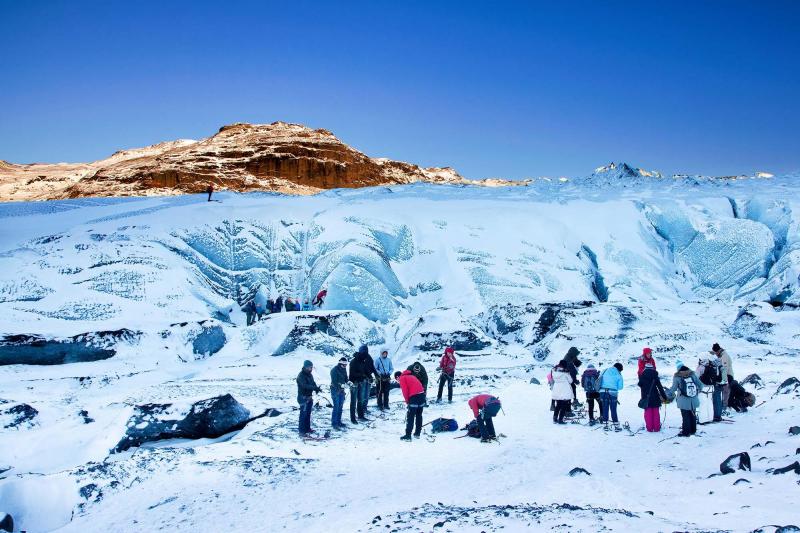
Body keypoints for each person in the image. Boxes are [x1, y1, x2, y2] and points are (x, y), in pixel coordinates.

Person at [666, 361, 703, 437]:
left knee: (685, 416)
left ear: (678, 368)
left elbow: (674, 388)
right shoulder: (692, 374)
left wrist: (667, 394)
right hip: (693, 399)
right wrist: (697, 392)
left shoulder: (677, 376)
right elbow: (700, 384)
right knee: (692, 414)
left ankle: (686, 432)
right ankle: (693, 430)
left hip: (683, 400)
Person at [395, 369, 425, 441]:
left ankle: (408, 435)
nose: (398, 381)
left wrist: (407, 402)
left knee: (410, 416)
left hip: (414, 397)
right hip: (422, 395)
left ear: (397, 377)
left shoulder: (402, 378)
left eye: (397, 379)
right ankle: (417, 433)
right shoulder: (412, 376)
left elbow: (405, 391)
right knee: (419, 415)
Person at [349, 344, 376, 422]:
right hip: (354, 384)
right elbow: (352, 374)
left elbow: (366, 371)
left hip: (360, 383)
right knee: (353, 401)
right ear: (361, 353)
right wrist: (362, 375)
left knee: (360, 400)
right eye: (364, 353)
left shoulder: (362, 361)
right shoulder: (353, 362)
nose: (365, 356)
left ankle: (361, 416)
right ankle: (353, 418)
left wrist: (370, 377)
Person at [638, 362, 667, 432]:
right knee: (656, 413)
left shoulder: (642, 375)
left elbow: (640, 384)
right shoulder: (655, 375)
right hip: (655, 396)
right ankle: (657, 428)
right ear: (652, 368)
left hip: (646, 397)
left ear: (645, 368)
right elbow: (660, 387)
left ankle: (649, 428)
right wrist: (664, 397)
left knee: (648, 413)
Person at [296, 360, 322, 435]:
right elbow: (305, 386)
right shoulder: (300, 376)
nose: (311, 369)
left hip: (309, 397)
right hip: (303, 398)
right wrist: (314, 388)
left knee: (308, 414)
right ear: (306, 367)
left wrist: (317, 388)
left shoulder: (310, 375)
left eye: (311, 367)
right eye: (310, 367)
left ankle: (307, 428)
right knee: (303, 415)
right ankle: (302, 431)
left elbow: (313, 383)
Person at [697, 356, 724, 422]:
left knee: (705, 403)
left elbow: (696, 377)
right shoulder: (717, 366)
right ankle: (713, 417)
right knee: (712, 402)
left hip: (707, 387)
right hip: (715, 386)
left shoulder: (703, 367)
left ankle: (705, 419)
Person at [599, 363, 624, 428]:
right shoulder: (618, 374)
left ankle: (605, 425)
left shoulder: (604, 370)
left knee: (605, 408)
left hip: (602, 392)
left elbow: (599, 380)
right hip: (613, 393)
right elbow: (620, 387)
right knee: (613, 409)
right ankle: (616, 425)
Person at [710, 343, 734, 410]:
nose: (715, 354)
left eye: (715, 352)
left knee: (726, 392)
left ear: (718, 351)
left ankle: (724, 408)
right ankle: (724, 406)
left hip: (727, 376)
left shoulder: (724, 356)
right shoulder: (721, 354)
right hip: (725, 376)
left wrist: (724, 380)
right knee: (725, 392)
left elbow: (725, 369)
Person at [551, 360, 574, 424]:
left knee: (558, 405)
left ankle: (555, 418)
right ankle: (560, 419)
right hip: (564, 389)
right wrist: (569, 374)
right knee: (564, 405)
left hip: (557, 389)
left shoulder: (554, 371)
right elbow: (570, 381)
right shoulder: (565, 372)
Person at [330, 357, 349, 430]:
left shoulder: (344, 369)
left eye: (346, 365)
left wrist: (348, 382)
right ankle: (334, 423)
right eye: (344, 365)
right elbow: (334, 382)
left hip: (341, 391)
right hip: (335, 390)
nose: (345, 366)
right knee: (336, 406)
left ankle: (339, 421)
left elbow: (346, 378)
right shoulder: (334, 370)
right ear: (340, 363)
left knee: (340, 407)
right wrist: (341, 385)